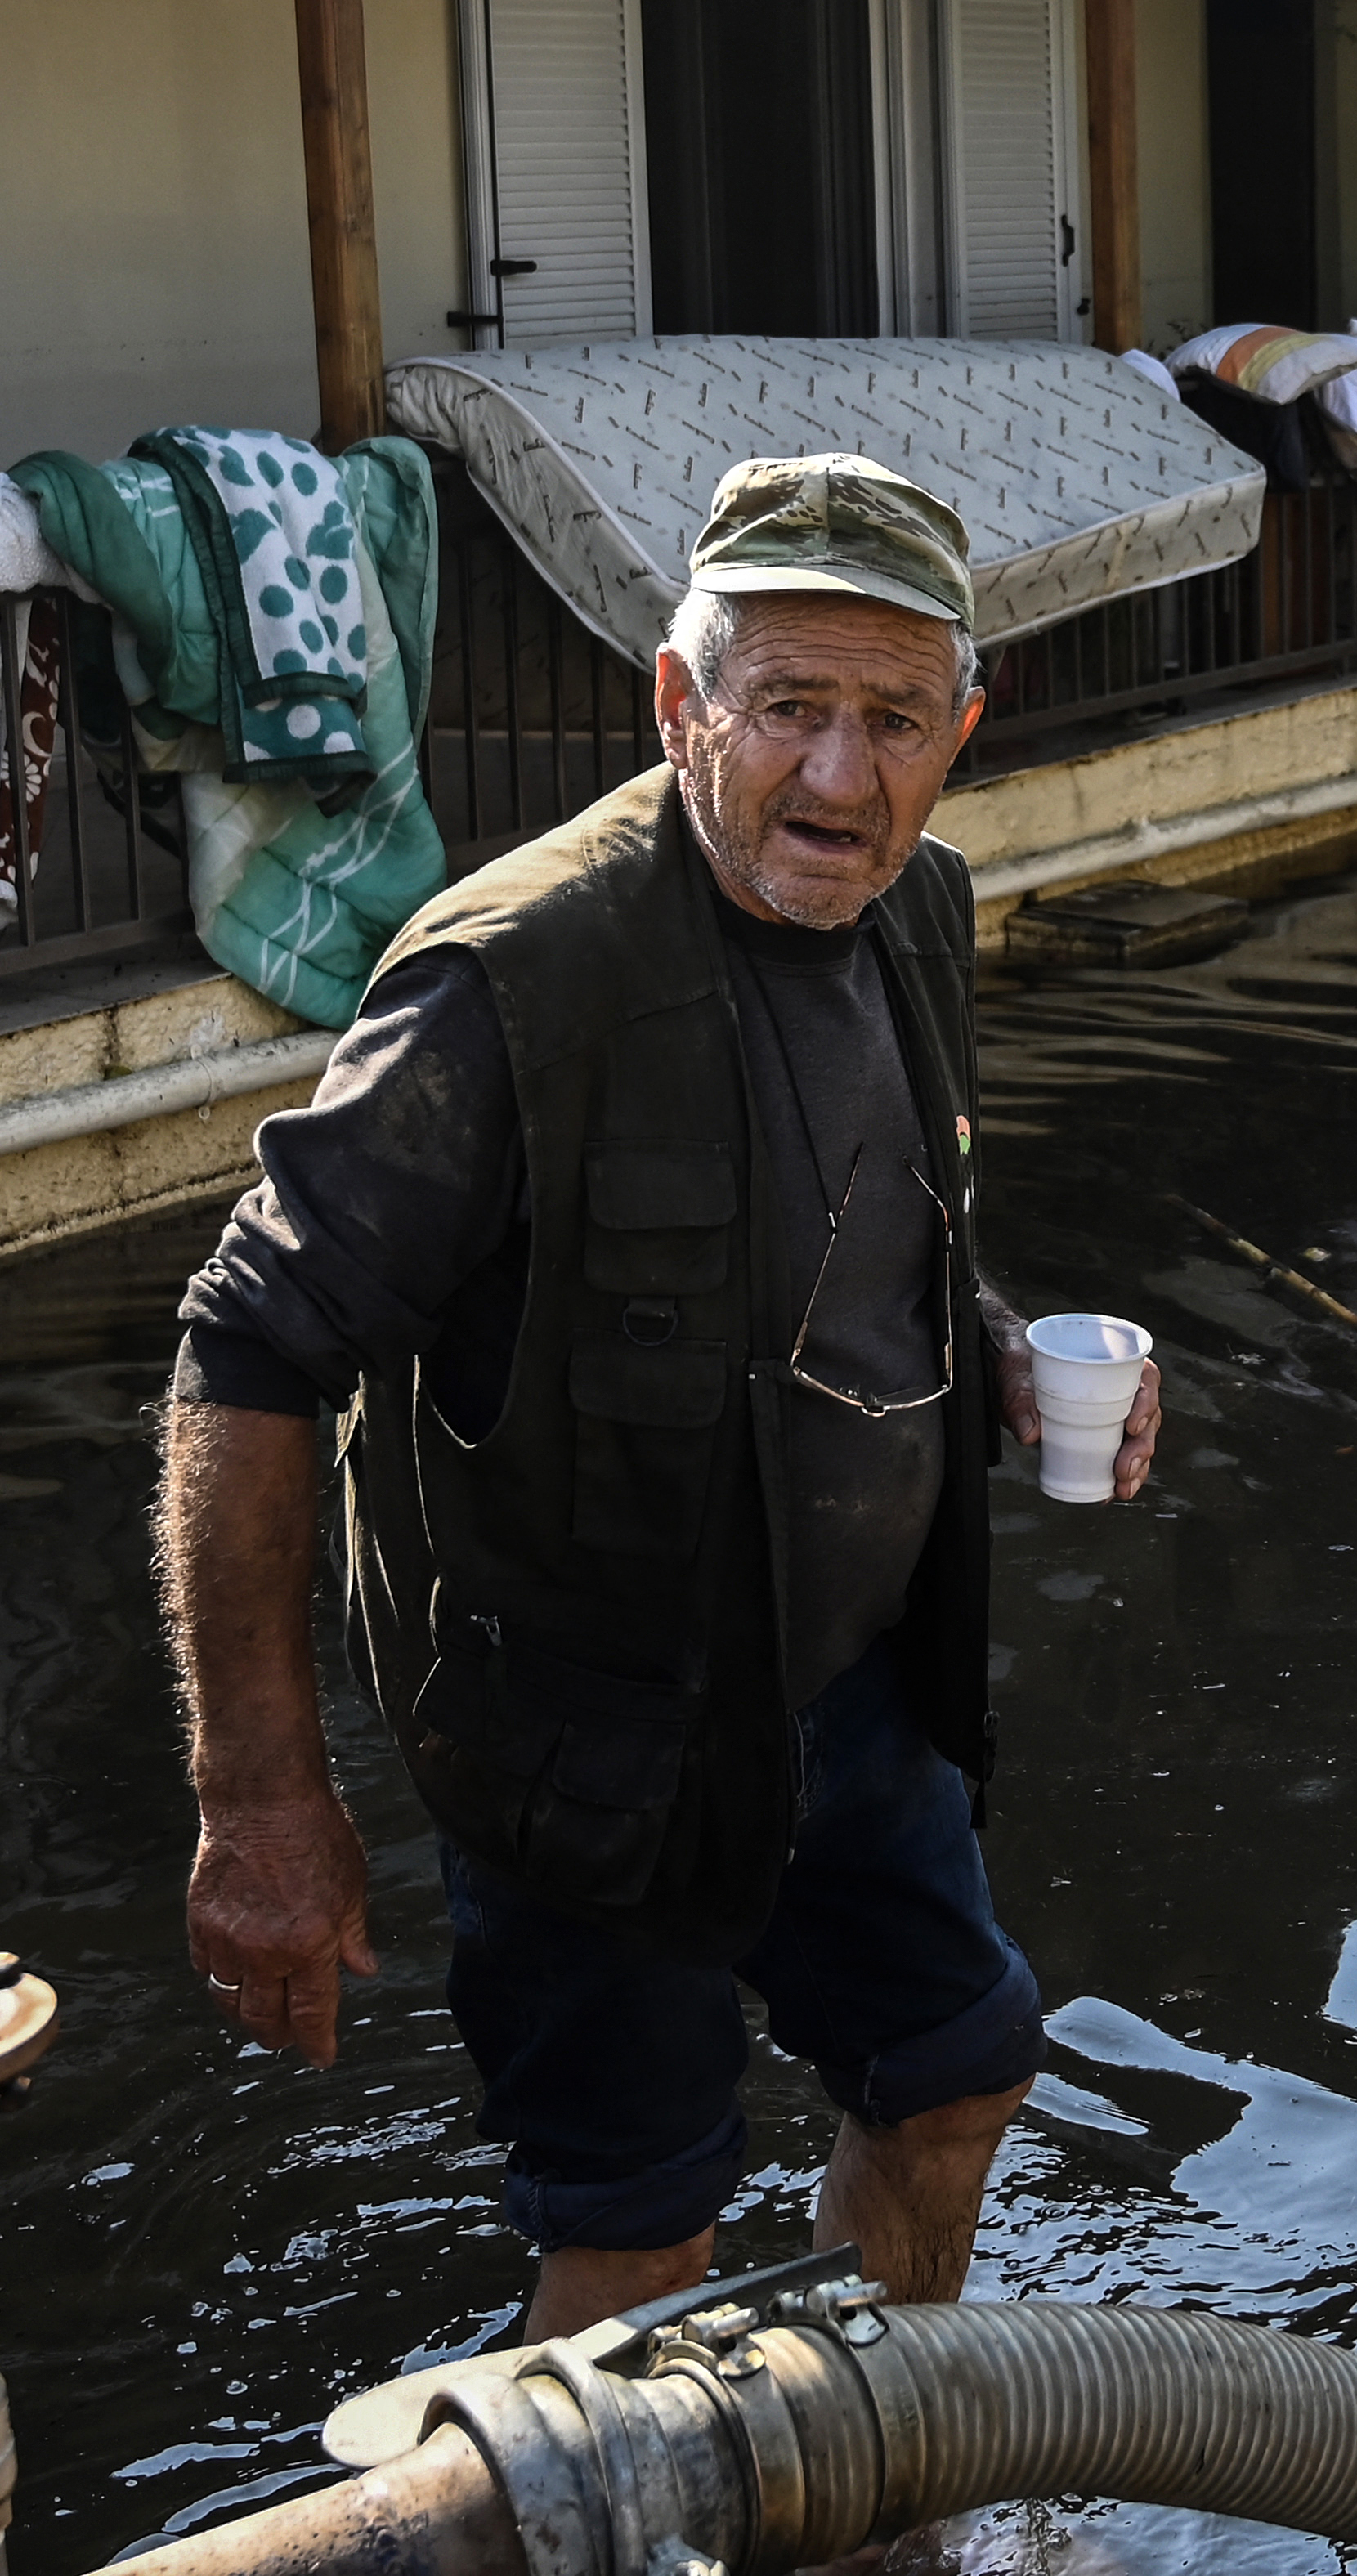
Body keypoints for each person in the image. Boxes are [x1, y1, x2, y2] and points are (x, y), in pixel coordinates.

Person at [165, 453, 1166, 2336]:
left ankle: (870, 2484)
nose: (838, 780)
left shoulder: (921, 909)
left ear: (965, 726)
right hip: (595, 1734)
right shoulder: (511, 978)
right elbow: (248, 1346)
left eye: (890, 720)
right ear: (678, 699)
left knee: (956, 2074)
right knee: (638, 2235)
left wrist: (1012, 1347)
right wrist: (261, 1801)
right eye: (787, 708)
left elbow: (899, 1223)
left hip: (858, 1688)